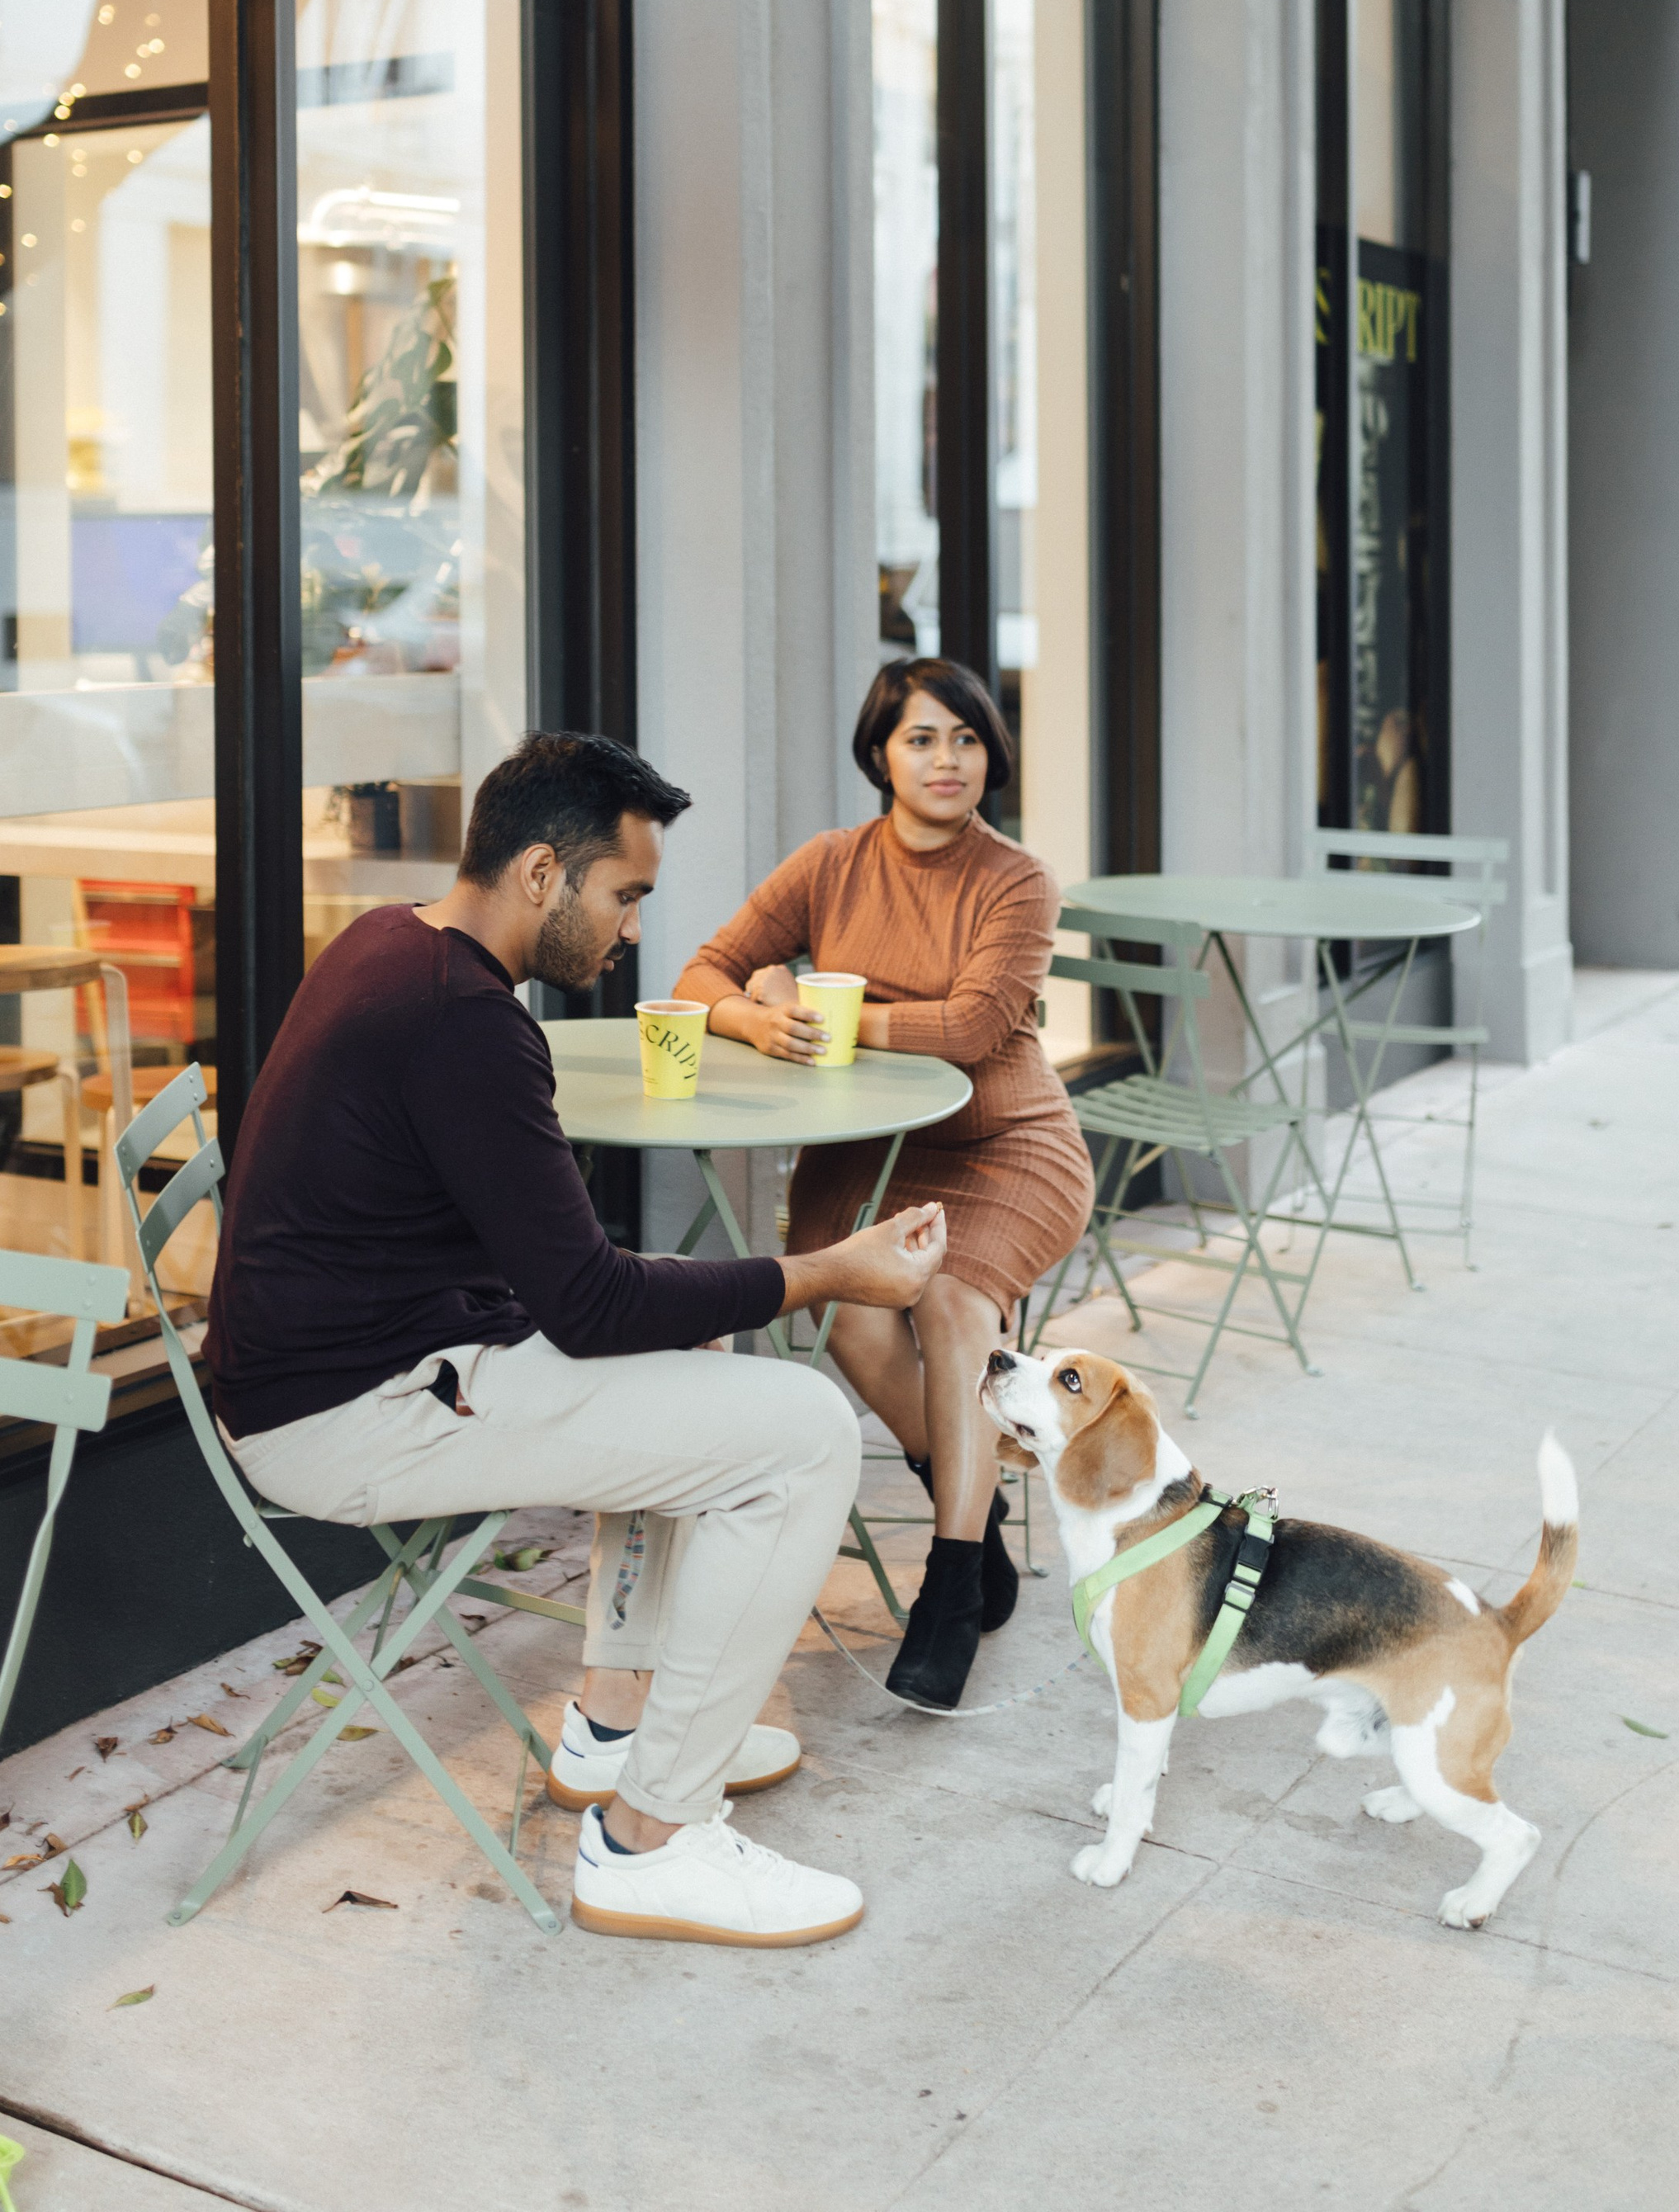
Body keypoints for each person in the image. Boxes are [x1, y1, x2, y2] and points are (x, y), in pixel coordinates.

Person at [202, 731, 945, 1949]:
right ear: (542, 872)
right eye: (624, 895)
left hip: (378, 1361)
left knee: (693, 1347)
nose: (634, 930)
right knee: (809, 1434)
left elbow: (574, 1287)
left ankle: (612, 1723)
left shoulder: (393, 944)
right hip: (350, 1415)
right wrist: (831, 1273)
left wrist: (719, 1297)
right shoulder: (463, 1024)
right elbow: (590, 1306)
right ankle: (653, 1839)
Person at [674, 660, 1089, 1710]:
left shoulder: (1017, 879)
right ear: (878, 754)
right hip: (865, 1147)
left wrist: (817, 1006)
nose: (947, 760)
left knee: (950, 1303)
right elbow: (702, 974)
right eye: (920, 738)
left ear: (991, 754)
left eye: (966, 738)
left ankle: (949, 1585)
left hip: (1003, 1142)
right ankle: (976, 1508)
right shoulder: (831, 863)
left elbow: (971, 1028)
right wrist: (757, 1015)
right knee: (850, 1315)